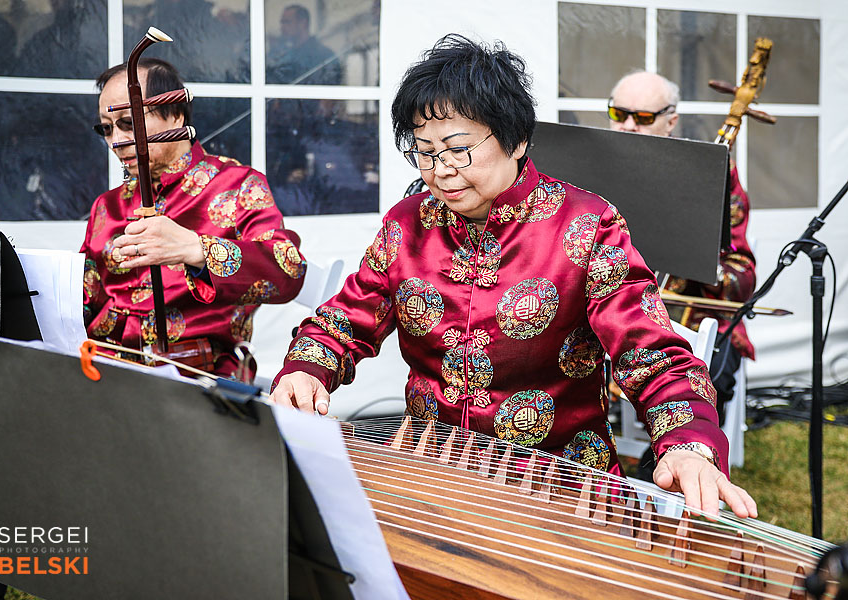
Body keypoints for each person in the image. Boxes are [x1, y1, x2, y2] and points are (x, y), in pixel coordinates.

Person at [271, 35, 757, 519]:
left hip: (560, 486)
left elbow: (650, 351)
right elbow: (343, 321)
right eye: (425, 151)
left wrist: (689, 442)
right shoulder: (407, 224)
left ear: (517, 139)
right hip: (434, 471)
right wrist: (305, 370)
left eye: (458, 149)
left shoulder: (587, 226)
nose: (441, 171)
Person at [82, 58, 306, 376]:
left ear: (175, 114)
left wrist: (197, 249)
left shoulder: (237, 185)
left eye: (128, 123)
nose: (116, 140)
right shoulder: (108, 206)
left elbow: (288, 271)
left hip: (199, 373)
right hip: (105, 372)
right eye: (107, 128)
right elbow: (83, 297)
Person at [608, 71, 757, 477]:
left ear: (670, 120)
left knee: (712, 369)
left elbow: (743, 275)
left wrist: (699, 256)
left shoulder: (713, 173)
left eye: (642, 117)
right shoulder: (593, 168)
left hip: (692, 314)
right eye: (619, 114)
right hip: (609, 309)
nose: (628, 126)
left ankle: (670, 468)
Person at [266, 4, 342, 85]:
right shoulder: (285, 54)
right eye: (282, 22)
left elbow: (330, 88)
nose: (282, 27)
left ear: (303, 23)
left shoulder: (324, 56)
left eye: (287, 22)